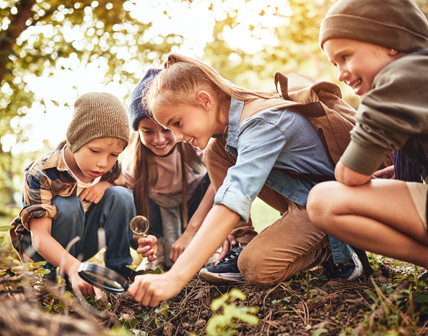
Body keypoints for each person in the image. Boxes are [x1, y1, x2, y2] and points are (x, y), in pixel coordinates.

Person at [128, 53, 362, 307]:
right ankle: (244, 242)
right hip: (304, 199)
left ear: (204, 100)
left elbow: (233, 198)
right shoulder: (225, 137)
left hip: (333, 205)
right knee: (215, 152)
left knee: (256, 267)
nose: (178, 136)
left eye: (177, 123)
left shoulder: (261, 123)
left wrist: (174, 277)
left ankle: (338, 245)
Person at [307, 0, 428, 311]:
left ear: (391, 44)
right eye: (334, 64)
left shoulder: (396, 82)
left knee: (324, 200)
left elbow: (349, 175)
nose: (341, 74)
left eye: (345, 56)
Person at [9, 92, 136, 299]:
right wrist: (75, 267)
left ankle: (119, 271)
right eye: (95, 151)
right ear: (75, 140)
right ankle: (47, 281)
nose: (103, 163)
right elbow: (39, 237)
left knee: (121, 195)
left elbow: (126, 186)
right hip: (42, 251)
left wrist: (104, 185)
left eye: (113, 155)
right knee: (68, 205)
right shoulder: (42, 173)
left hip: (79, 245)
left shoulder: (109, 170)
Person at [123, 68, 214, 270]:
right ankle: (157, 252)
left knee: (215, 177)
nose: (159, 139)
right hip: (156, 213)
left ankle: (210, 245)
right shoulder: (132, 165)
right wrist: (141, 239)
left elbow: (223, 180)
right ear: (138, 131)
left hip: (193, 207)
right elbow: (129, 212)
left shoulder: (192, 142)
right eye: (148, 132)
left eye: (166, 129)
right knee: (125, 196)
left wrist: (192, 230)